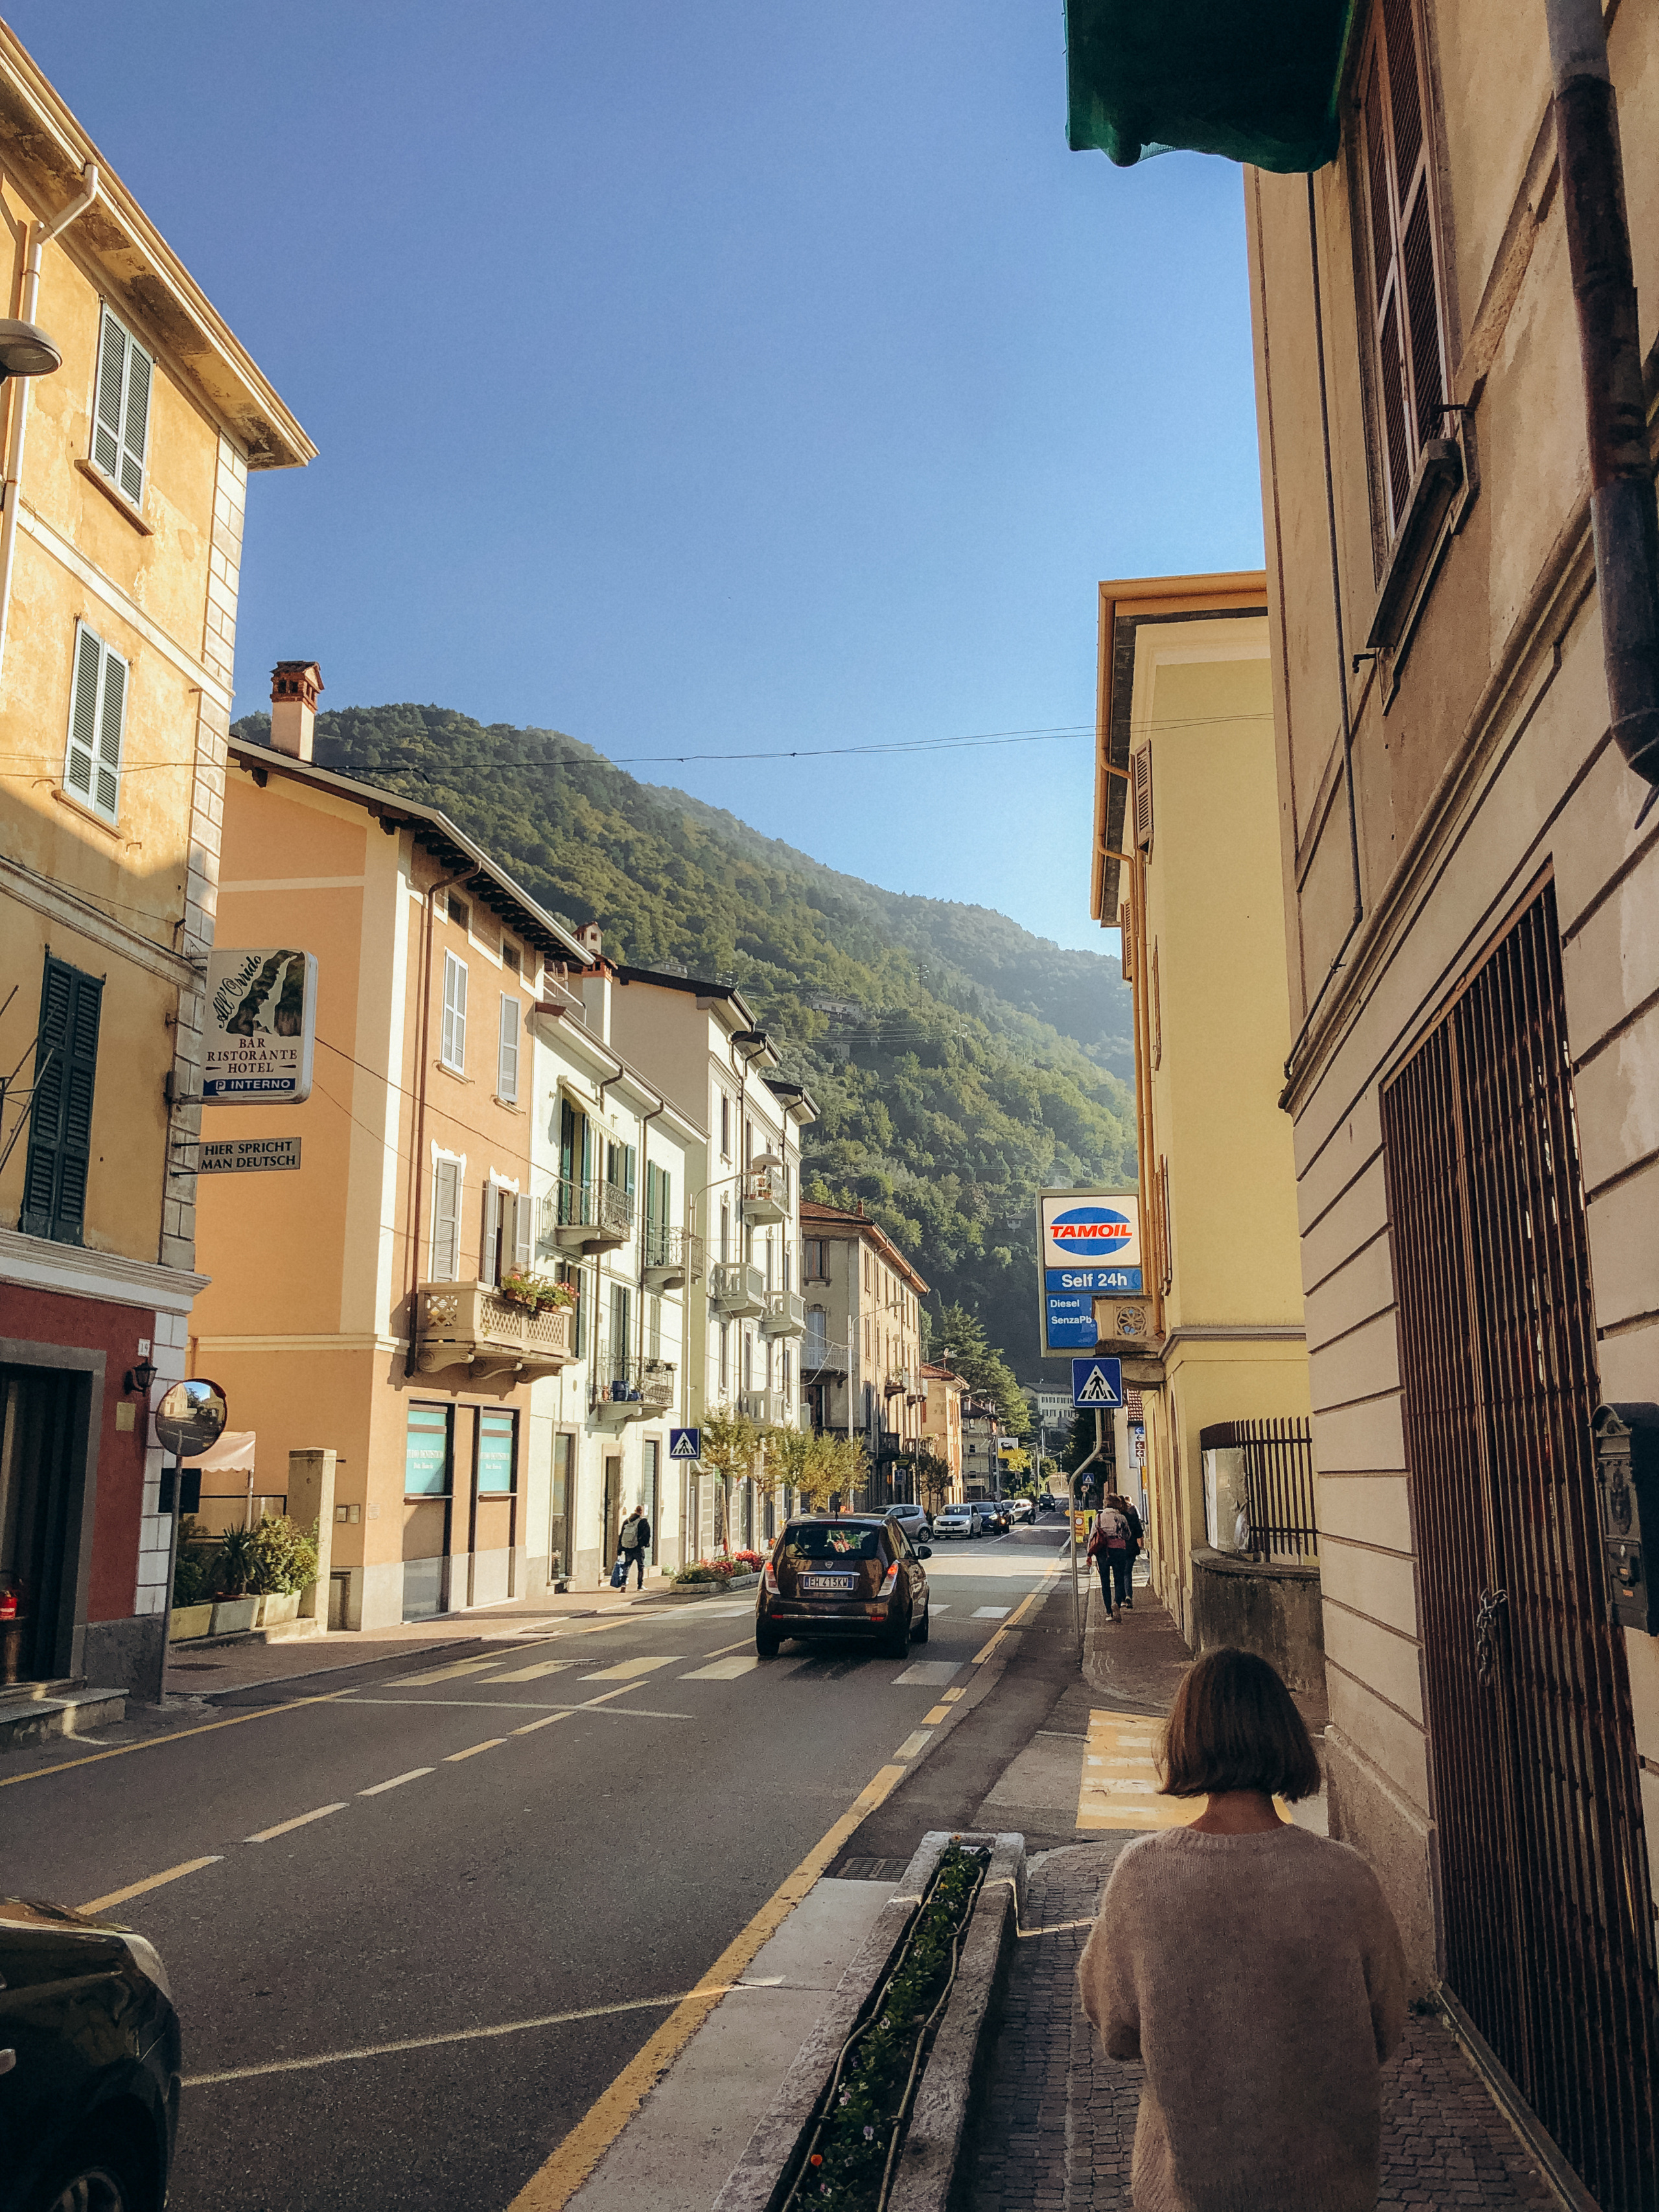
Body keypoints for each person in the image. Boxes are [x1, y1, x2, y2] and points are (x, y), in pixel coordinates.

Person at [1078, 1649, 1406, 2212]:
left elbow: (1116, 2029)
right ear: (1285, 1735)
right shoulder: (1346, 1876)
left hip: (1188, 2191)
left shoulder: (1141, 1876)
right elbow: (1385, 2026)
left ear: (1185, 1737)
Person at [1085, 1497, 1131, 1619]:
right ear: (1117, 1505)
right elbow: (1127, 1535)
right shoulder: (1121, 1518)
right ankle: (1116, 1602)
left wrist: (1089, 1554)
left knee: (1105, 1581)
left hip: (1103, 1552)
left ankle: (1109, 1612)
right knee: (1119, 1578)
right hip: (1119, 1550)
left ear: (1106, 1505)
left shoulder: (1099, 1518)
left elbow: (1092, 1536)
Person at [618, 1505, 651, 1589]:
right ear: (642, 1512)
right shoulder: (643, 1522)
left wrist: (620, 1548)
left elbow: (621, 1535)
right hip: (638, 1548)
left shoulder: (627, 1521)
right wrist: (645, 1544)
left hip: (628, 1548)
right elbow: (646, 1535)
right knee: (640, 1567)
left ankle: (623, 1583)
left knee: (627, 1565)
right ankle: (640, 1586)